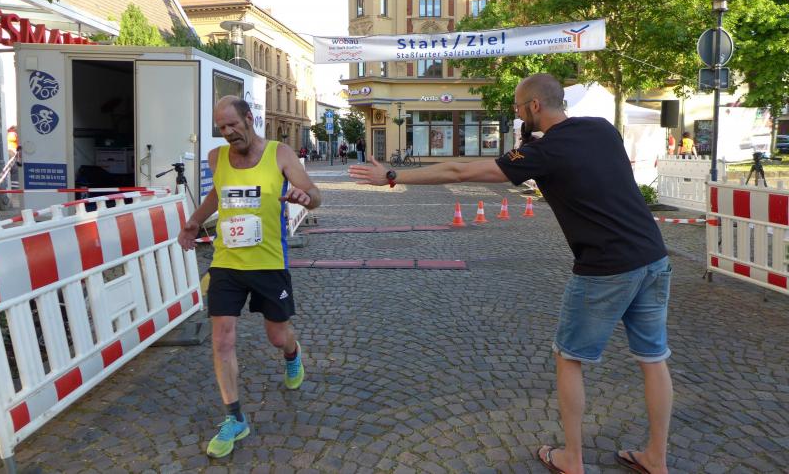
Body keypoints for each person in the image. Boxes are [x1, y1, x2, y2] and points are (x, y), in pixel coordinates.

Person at [349, 74, 672, 474]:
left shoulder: (545, 153)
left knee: (569, 358)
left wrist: (393, 176)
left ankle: (572, 458)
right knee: (653, 359)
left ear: (535, 106)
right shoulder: (602, 128)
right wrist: (530, 146)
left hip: (605, 266)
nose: (517, 114)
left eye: (518, 108)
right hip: (653, 256)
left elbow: (460, 172)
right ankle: (656, 458)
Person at [178, 95, 322, 459]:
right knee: (222, 339)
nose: (227, 132)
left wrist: (306, 198)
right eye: (221, 127)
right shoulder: (217, 157)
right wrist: (194, 221)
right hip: (227, 262)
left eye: (232, 125)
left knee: (277, 336)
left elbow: (315, 194)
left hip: (269, 262)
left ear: (249, 119)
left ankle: (292, 354)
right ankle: (235, 417)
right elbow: (218, 194)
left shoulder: (280, 154)